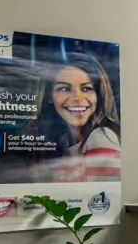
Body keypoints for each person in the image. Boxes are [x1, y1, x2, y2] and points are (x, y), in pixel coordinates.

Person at [34, 53, 120, 182]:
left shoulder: (102, 137)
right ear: (49, 97)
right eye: (64, 89)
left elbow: (106, 197)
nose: (78, 98)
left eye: (86, 88)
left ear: (98, 96)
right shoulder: (59, 143)